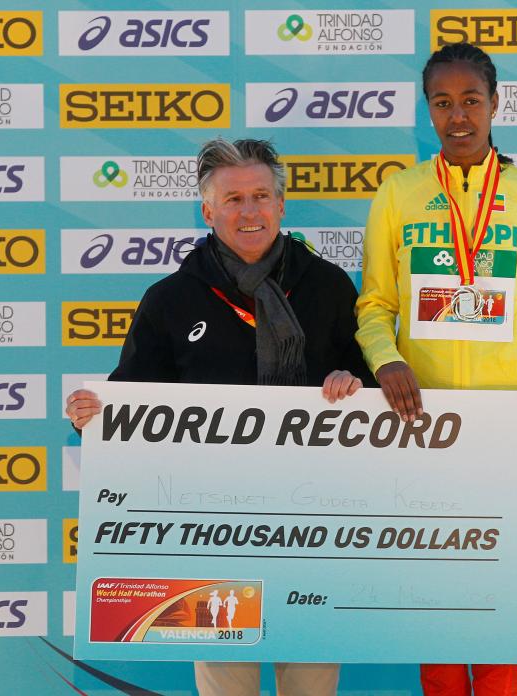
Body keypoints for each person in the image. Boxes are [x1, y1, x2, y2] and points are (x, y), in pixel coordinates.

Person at [66, 136, 372, 696]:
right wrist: (92, 415)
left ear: (282, 205)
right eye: (233, 200)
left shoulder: (329, 287)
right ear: (207, 210)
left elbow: (371, 385)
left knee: (311, 683)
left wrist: (354, 383)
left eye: (261, 196)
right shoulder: (171, 299)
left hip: (317, 523)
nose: (249, 211)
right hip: (213, 530)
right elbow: (130, 401)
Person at [355, 43, 517, 696]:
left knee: (500, 601)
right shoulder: (398, 194)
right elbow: (375, 304)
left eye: (471, 100)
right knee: (436, 606)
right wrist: (387, 358)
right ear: (426, 110)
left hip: (505, 431)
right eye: (442, 102)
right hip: (419, 428)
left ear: (495, 105)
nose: (457, 115)